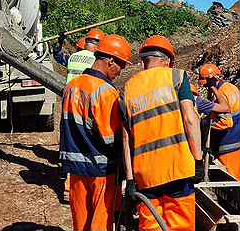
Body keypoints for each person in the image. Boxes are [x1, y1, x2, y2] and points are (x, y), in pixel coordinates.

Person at [123, 35, 203, 231]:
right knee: (181, 226)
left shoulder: (128, 89)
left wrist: (130, 179)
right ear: (166, 60)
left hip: (146, 175)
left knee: (151, 226)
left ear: (144, 61)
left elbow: (126, 138)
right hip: (178, 169)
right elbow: (190, 119)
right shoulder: (176, 76)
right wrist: (198, 159)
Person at [60, 34, 131, 231]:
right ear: (110, 60)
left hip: (75, 168)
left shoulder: (71, 86)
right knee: (101, 223)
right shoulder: (106, 92)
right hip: (100, 169)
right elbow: (111, 139)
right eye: (121, 65)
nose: (120, 71)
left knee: (81, 223)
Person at [198, 63, 240, 180]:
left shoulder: (223, 92)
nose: (206, 88)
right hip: (233, 142)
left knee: (232, 184)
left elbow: (226, 122)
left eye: (207, 85)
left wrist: (206, 123)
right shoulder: (229, 87)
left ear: (211, 80)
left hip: (229, 145)